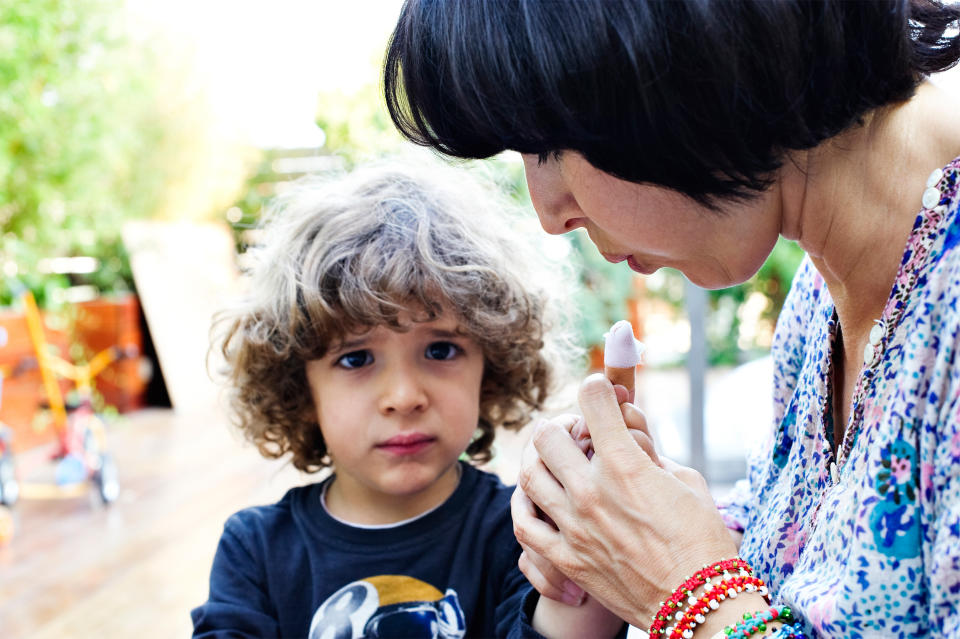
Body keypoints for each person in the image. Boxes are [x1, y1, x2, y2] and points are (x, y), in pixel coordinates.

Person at [383, 0, 960, 636]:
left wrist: (687, 593)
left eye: (548, 145)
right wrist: (627, 535)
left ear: (683, 60)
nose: (549, 213)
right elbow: (817, 561)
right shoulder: (820, 290)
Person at [190, 163, 626, 638]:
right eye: (356, 359)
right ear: (298, 385)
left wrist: (587, 553)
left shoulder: (522, 532)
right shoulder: (255, 551)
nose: (403, 397)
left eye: (440, 350)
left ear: (493, 365)